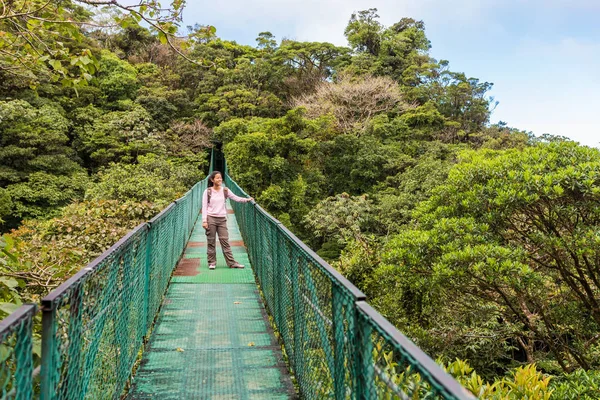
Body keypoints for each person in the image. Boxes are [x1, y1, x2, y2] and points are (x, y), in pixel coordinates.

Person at [201, 171, 253, 270]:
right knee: (211, 241)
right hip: (210, 218)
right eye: (217, 178)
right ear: (212, 180)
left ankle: (231, 263)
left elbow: (236, 198)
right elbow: (204, 206)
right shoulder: (207, 191)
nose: (219, 180)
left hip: (222, 219)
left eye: (220, 178)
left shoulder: (225, 190)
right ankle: (212, 262)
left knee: (225, 241)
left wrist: (246, 200)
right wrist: (204, 220)